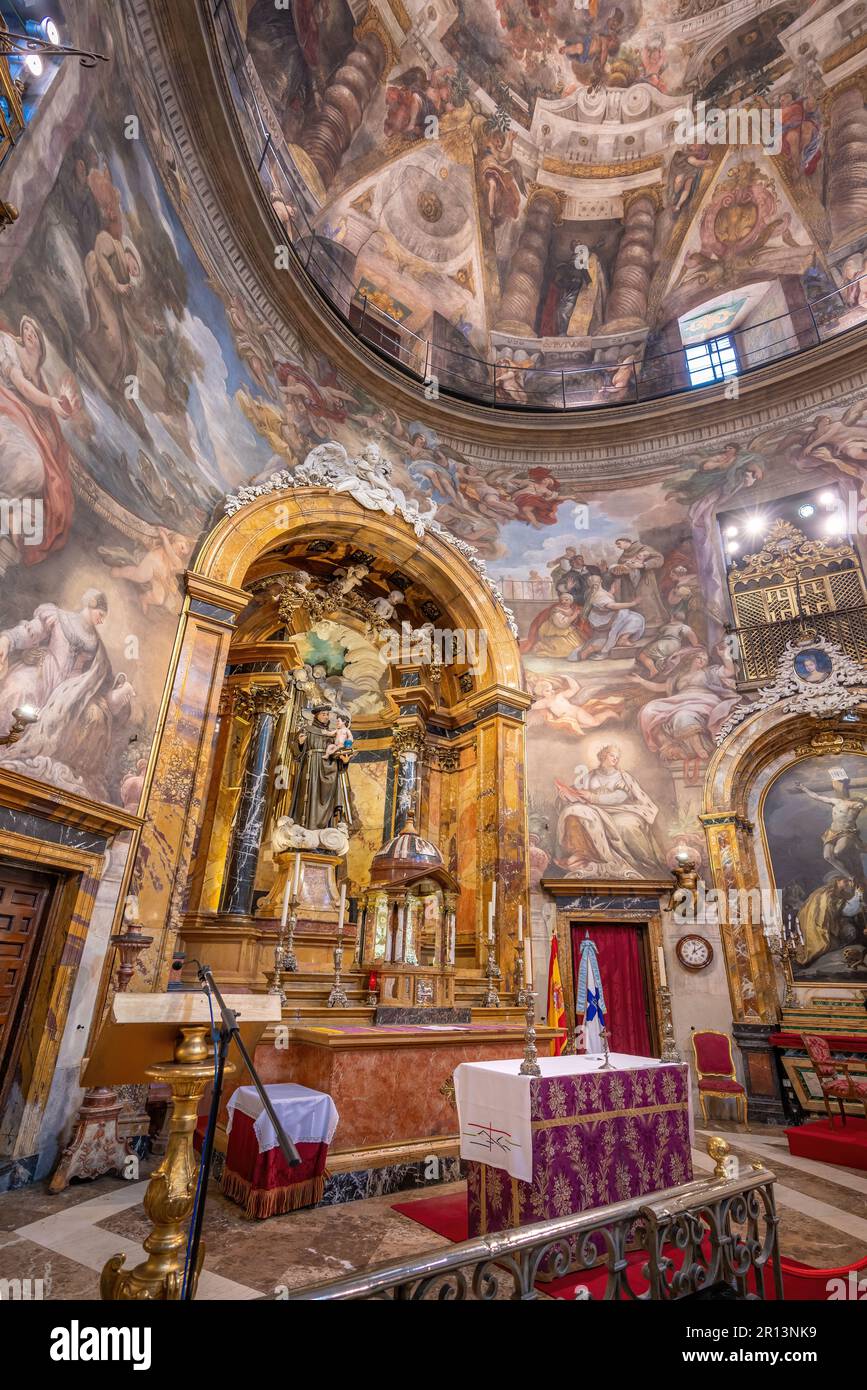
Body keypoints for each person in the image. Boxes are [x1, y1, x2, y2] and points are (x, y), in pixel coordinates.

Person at [555, 744, 665, 878]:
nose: (615, 759)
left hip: (621, 809)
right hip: (595, 809)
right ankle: (585, 856)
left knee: (624, 825)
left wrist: (594, 797)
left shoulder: (621, 776)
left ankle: (644, 864)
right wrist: (565, 795)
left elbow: (620, 796)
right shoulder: (590, 775)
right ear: (603, 756)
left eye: (617, 757)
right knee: (574, 811)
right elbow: (576, 792)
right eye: (612, 755)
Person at [288, 704, 354, 830]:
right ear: (316, 716)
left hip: (329, 768)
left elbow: (338, 750)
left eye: (327, 714)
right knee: (309, 796)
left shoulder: (333, 734)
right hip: (311, 767)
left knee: (327, 798)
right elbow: (296, 752)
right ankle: (306, 829)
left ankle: (325, 829)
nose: (326, 716)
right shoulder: (307, 730)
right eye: (323, 714)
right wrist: (301, 744)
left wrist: (344, 761)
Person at [576, 575, 645, 659]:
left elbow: (602, 600)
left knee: (628, 615)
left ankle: (621, 638)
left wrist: (611, 592)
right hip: (606, 619)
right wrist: (633, 603)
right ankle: (622, 639)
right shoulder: (600, 595)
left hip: (599, 617)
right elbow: (612, 606)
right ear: (601, 581)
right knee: (637, 618)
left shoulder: (589, 592)